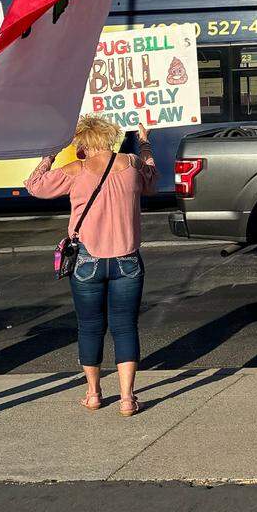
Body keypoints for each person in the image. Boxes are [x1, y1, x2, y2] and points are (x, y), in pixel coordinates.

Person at [26, 116, 156, 415]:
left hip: (86, 261)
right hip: (127, 260)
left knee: (89, 327)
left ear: (85, 143)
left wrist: (49, 154)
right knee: (125, 328)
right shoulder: (133, 164)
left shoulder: (76, 170)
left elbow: (35, 186)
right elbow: (152, 180)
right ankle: (127, 398)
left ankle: (94, 393)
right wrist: (145, 142)